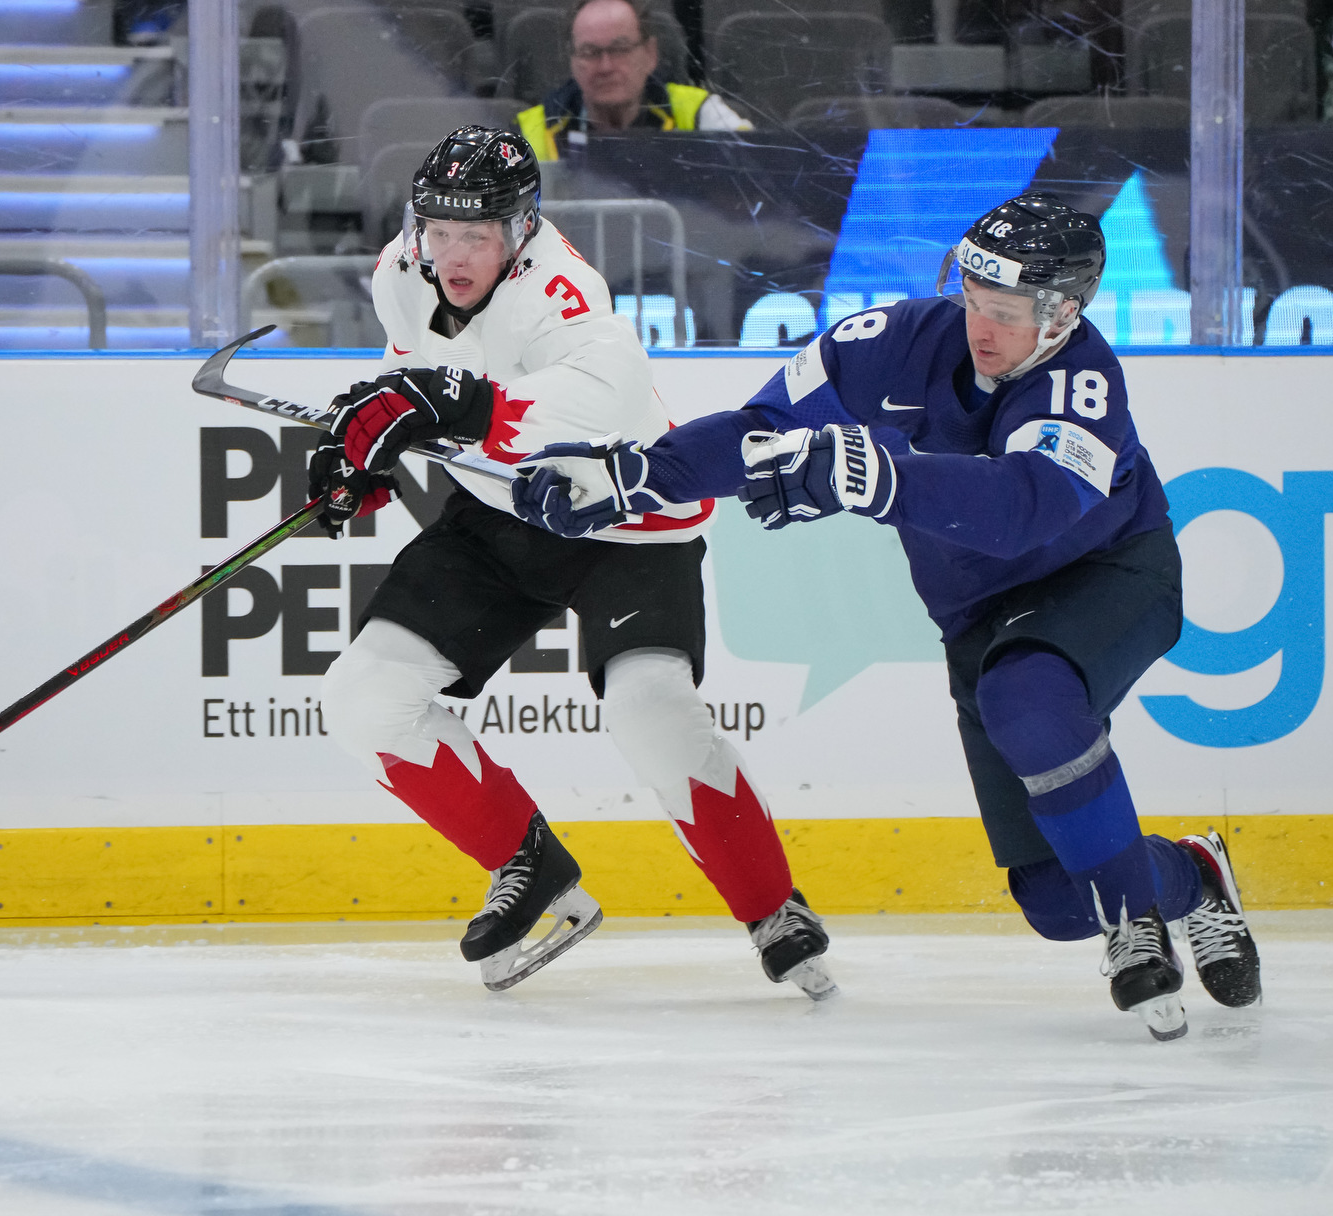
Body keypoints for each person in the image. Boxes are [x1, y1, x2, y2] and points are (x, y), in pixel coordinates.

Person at [511, 192, 1263, 1040]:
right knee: (1055, 903)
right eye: (974, 300)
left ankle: (1133, 922)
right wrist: (632, 477)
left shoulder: (1084, 381)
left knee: (1029, 694)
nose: (981, 327)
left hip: (1109, 576)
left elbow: (1029, 508)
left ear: (1063, 313)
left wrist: (881, 480)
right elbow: (762, 429)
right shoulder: (893, 341)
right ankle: (1190, 876)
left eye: (1007, 313)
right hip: (979, 614)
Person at [309, 123, 836, 998]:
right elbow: (417, 383)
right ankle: (533, 872)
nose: (453, 254)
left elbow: (602, 398)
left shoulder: (564, 289)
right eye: (439, 230)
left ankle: (774, 906)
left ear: (520, 229)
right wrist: (364, 453)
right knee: (364, 697)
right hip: (499, 516)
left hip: (624, 513)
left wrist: (448, 401)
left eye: (477, 234)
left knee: (648, 707)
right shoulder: (400, 274)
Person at [516, 0, 750, 162]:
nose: (606, 66)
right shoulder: (528, 133)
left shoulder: (699, 112)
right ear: (573, 61)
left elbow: (759, 166)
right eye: (590, 52)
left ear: (650, 54)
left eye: (620, 49)